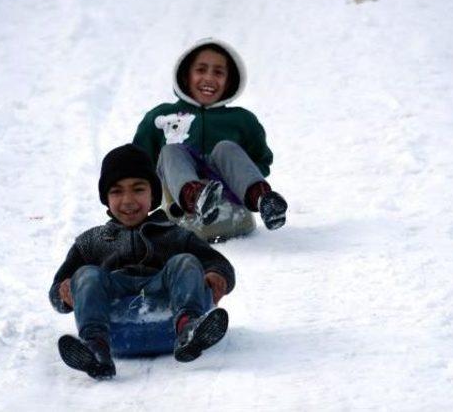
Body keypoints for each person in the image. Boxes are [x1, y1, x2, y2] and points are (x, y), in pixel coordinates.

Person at [48, 144, 235, 380]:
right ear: (106, 197)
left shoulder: (174, 233)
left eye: (138, 189)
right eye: (116, 191)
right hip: (114, 310)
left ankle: (189, 329)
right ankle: (95, 347)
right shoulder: (91, 241)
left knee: (185, 262)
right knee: (85, 274)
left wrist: (217, 276)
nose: (128, 200)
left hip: (164, 300)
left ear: (153, 194)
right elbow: (56, 291)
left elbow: (220, 264)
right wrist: (64, 293)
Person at [133, 37, 288, 231]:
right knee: (171, 151)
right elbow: (136, 166)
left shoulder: (242, 120)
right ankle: (198, 197)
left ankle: (263, 200)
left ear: (229, 80)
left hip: (232, 214)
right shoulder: (161, 117)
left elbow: (260, 160)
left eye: (218, 72)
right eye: (200, 70)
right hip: (180, 219)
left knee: (226, 148)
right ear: (185, 75)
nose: (209, 78)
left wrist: (232, 177)